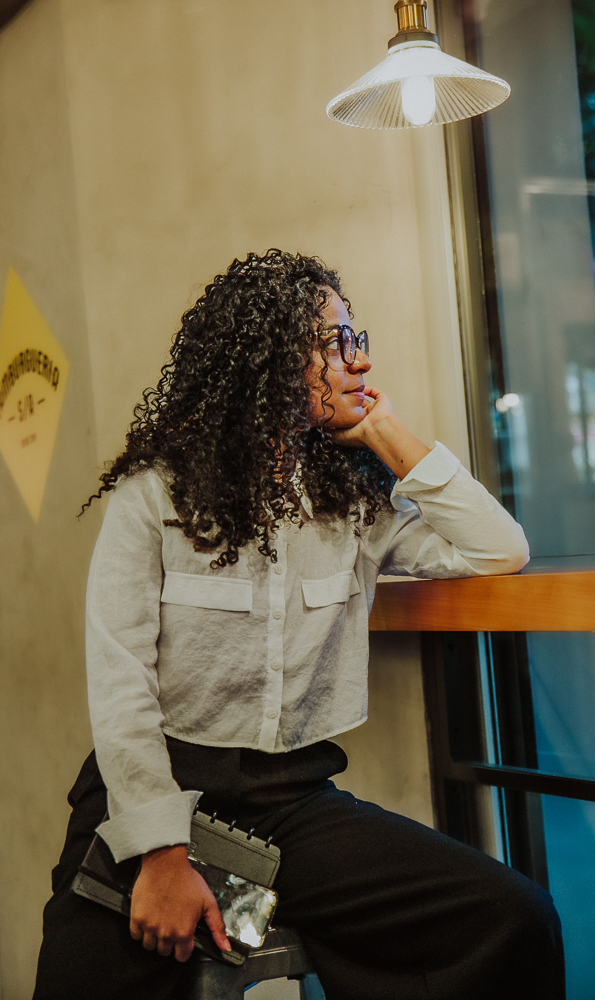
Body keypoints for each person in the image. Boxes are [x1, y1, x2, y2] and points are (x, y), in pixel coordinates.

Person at [33, 249, 564, 1000]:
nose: (357, 359)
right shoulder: (153, 500)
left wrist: (385, 431)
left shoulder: (354, 502)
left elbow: (497, 549)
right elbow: (121, 689)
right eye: (333, 343)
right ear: (265, 358)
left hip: (291, 803)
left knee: (511, 916)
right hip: (159, 791)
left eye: (356, 339)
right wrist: (161, 855)